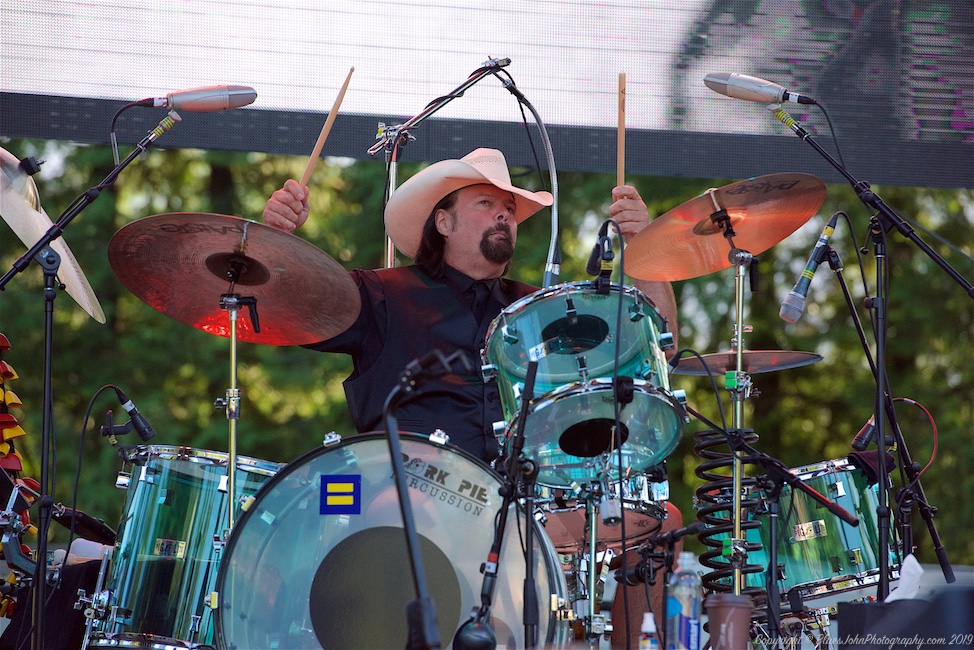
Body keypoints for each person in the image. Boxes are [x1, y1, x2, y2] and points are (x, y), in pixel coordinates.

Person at [263, 148, 678, 464]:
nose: (503, 216)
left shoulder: (539, 310)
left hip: (518, 501)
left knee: (651, 525)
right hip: (405, 497)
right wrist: (276, 240)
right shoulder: (380, 295)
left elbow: (661, 346)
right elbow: (289, 310)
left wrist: (645, 243)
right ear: (443, 223)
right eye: (486, 204)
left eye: (509, 210)